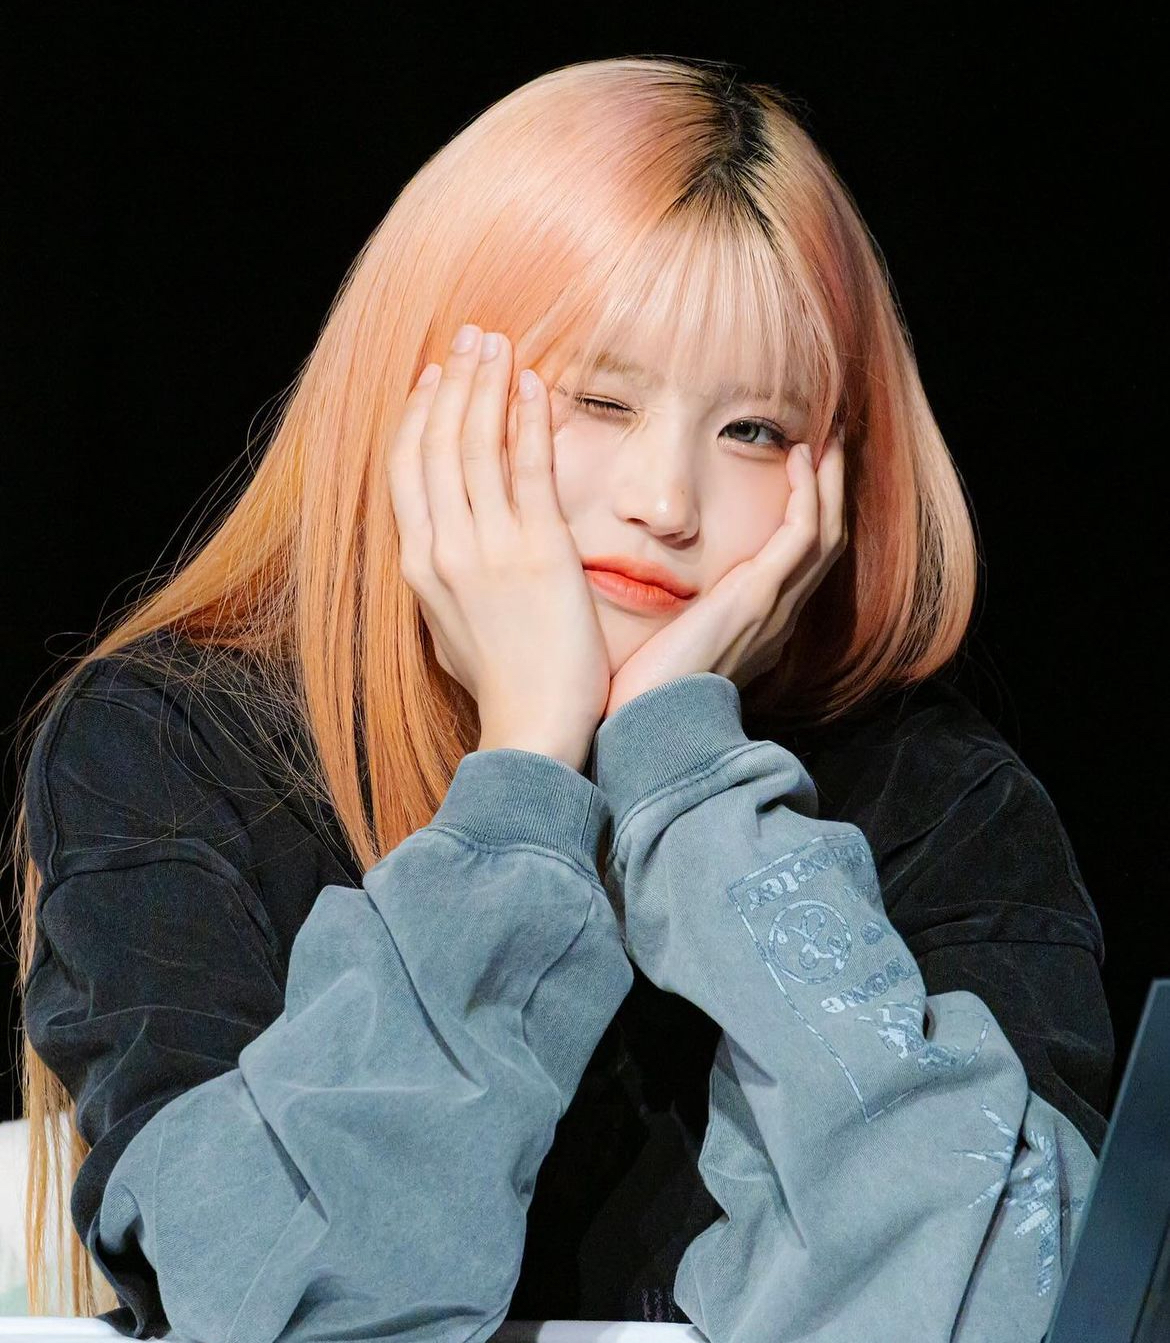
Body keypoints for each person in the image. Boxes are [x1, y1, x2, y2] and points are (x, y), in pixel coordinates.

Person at [9, 54, 1113, 1341]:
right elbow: (293, 1311)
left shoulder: (938, 801)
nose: (668, 501)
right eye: (599, 397)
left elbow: (1006, 1302)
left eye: (754, 431)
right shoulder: (172, 748)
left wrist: (691, 780)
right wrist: (526, 773)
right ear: (413, 389)